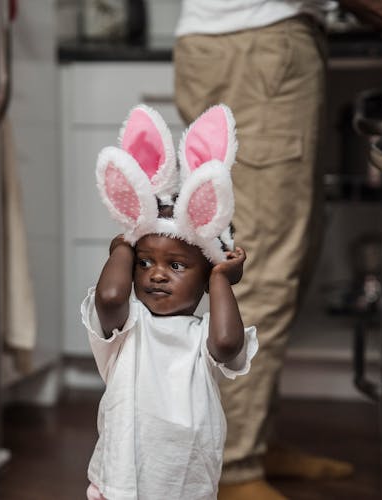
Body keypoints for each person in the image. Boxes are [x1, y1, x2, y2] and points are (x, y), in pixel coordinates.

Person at [172, 1, 382, 499]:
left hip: (250, 46)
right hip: (256, 48)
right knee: (265, 267)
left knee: (282, 255)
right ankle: (234, 468)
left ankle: (247, 443)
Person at [83, 103, 259, 499]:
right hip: (120, 482)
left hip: (187, 484)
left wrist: (221, 277)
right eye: (145, 263)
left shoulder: (202, 338)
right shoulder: (127, 328)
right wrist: (126, 241)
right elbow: (110, 296)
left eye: (177, 265)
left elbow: (229, 344)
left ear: (205, 272)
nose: (157, 274)